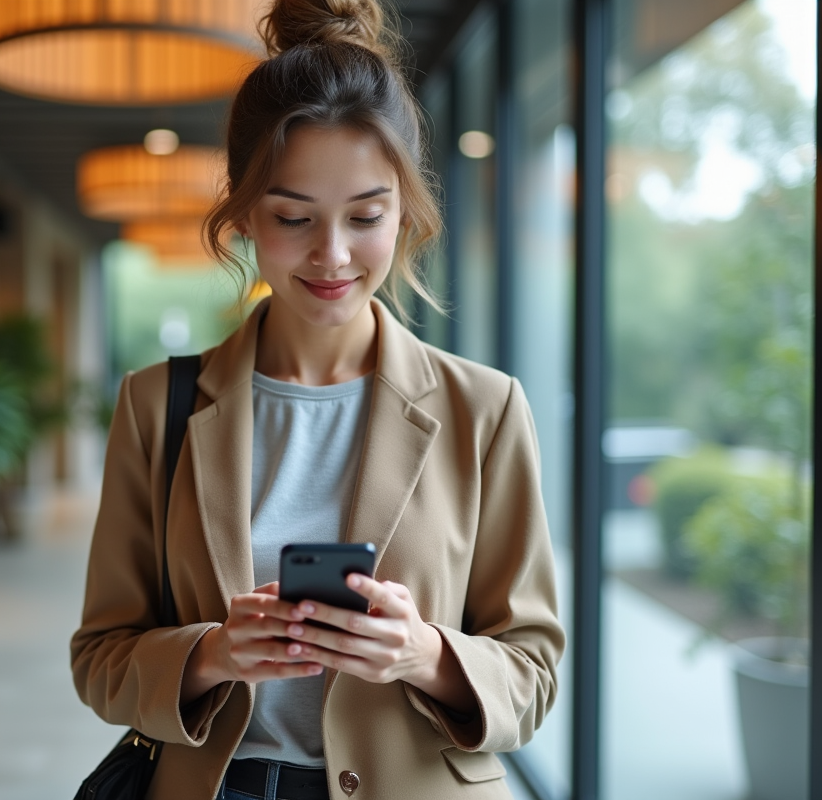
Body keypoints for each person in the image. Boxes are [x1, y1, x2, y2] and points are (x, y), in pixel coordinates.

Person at [71, 1, 566, 797]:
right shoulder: (156, 407)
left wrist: (423, 653)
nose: (332, 255)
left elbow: (534, 675)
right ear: (242, 215)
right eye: (293, 217)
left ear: (406, 209)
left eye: (365, 216)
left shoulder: (487, 409)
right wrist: (211, 654)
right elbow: (100, 660)